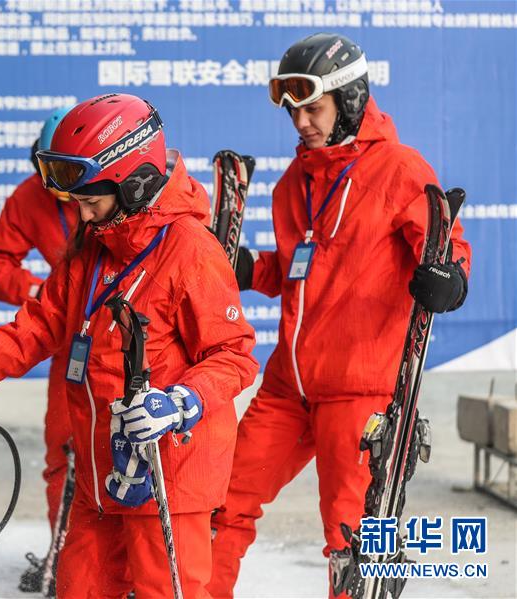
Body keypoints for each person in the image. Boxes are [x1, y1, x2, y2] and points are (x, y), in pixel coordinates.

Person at [0, 93, 258, 598]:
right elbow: (34, 327)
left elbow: (234, 355)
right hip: (99, 475)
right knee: (77, 587)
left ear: (133, 182)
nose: (80, 214)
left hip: (168, 474)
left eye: (89, 200)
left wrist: (181, 402)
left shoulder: (190, 249)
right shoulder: (94, 247)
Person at [208, 33, 471, 598]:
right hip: (288, 385)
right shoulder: (292, 187)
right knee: (221, 502)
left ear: (348, 99)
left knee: (352, 540)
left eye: (313, 108)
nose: (301, 121)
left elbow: (445, 247)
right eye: (293, 110)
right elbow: (294, 270)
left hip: (360, 389)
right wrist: (247, 265)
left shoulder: (398, 169)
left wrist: (450, 280)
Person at [0, 106, 79, 587]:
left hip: (142, 347)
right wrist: (37, 290)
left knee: (138, 454)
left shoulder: (129, 186)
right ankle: (68, 557)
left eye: (66, 172)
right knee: (65, 453)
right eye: (47, 170)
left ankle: (143, 561)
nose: (55, 183)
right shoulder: (32, 195)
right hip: (72, 340)